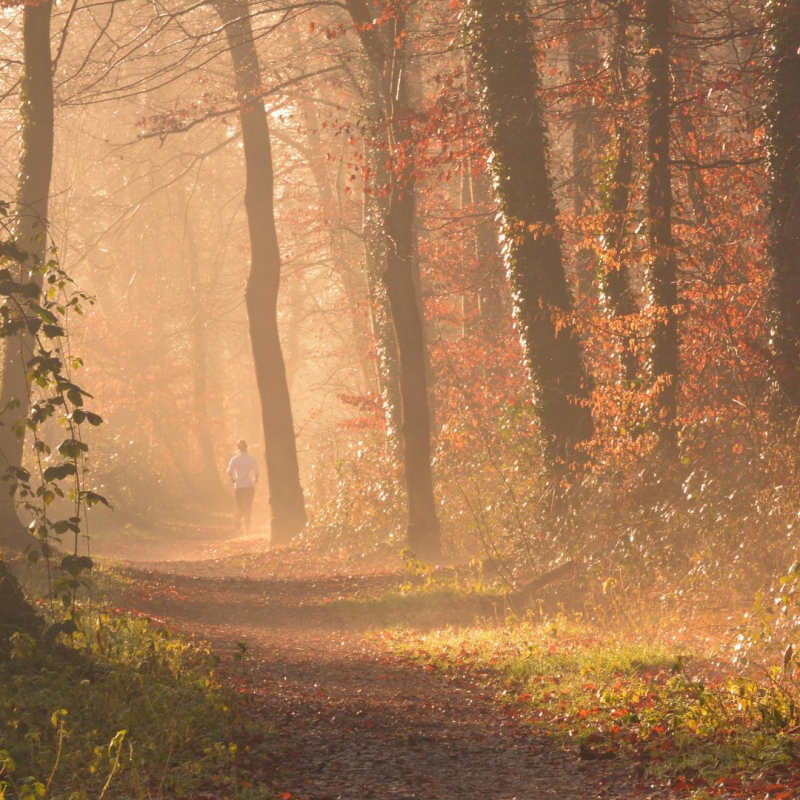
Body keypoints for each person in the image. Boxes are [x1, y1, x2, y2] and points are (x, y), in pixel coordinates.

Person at [227, 440, 259, 534]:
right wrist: (255, 479)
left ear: (238, 448)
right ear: (247, 447)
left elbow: (229, 471)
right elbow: (256, 471)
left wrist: (232, 479)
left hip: (239, 487)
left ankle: (238, 515)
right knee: (248, 508)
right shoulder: (251, 459)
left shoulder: (234, 459)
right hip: (249, 487)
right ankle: (247, 530)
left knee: (241, 508)